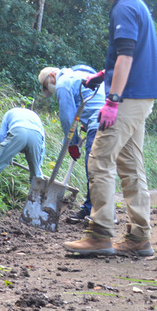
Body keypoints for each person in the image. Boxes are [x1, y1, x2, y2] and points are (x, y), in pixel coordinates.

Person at [63, 0, 157, 258]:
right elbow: (133, 55)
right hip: (142, 95)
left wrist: (113, 99)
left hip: (129, 97)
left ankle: (100, 233)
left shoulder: (123, 8)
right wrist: (104, 75)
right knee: (131, 166)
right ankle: (139, 236)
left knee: (99, 160)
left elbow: (126, 56)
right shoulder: (135, 5)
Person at [38, 65, 105, 222]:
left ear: (52, 77)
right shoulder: (77, 74)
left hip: (99, 123)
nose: (52, 91)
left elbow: (67, 118)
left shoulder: (63, 84)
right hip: (102, 120)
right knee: (96, 168)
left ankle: (101, 213)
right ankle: (89, 209)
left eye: (47, 86)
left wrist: (72, 142)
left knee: (94, 168)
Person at [0, 107, 45, 184]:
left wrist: (6, 155)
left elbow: (2, 135)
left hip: (18, 131)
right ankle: (39, 193)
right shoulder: (36, 116)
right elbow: (43, 143)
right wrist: (37, 165)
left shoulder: (9, 113)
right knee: (36, 175)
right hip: (36, 136)